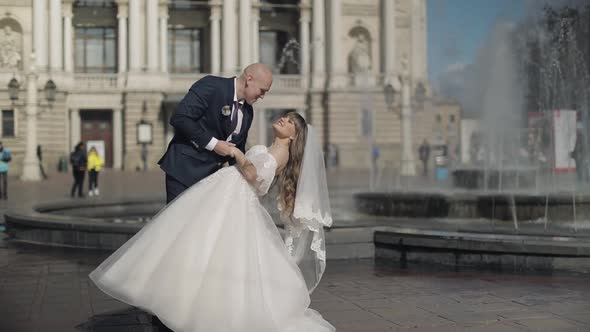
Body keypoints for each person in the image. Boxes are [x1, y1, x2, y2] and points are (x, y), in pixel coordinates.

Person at [90, 112, 335, 331]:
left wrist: (236, 153)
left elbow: (255, 177)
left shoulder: (280, 152)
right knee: (205, 246)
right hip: (226, 193)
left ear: (293, 136)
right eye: (286, 116)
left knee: (208, 246)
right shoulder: (272, 148)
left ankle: (200, 306)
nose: (284, 119)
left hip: (235, 198)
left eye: (291, 122)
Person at [158, 63, 273, 203]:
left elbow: (236, 149)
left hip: (211, 180)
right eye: (262, 90)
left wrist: (244, 179)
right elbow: (180, 118)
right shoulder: (212, 85)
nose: (262, 96)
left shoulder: (248, 112)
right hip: (185, 171)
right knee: (179, 223)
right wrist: (214, 144)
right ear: (249, 79)